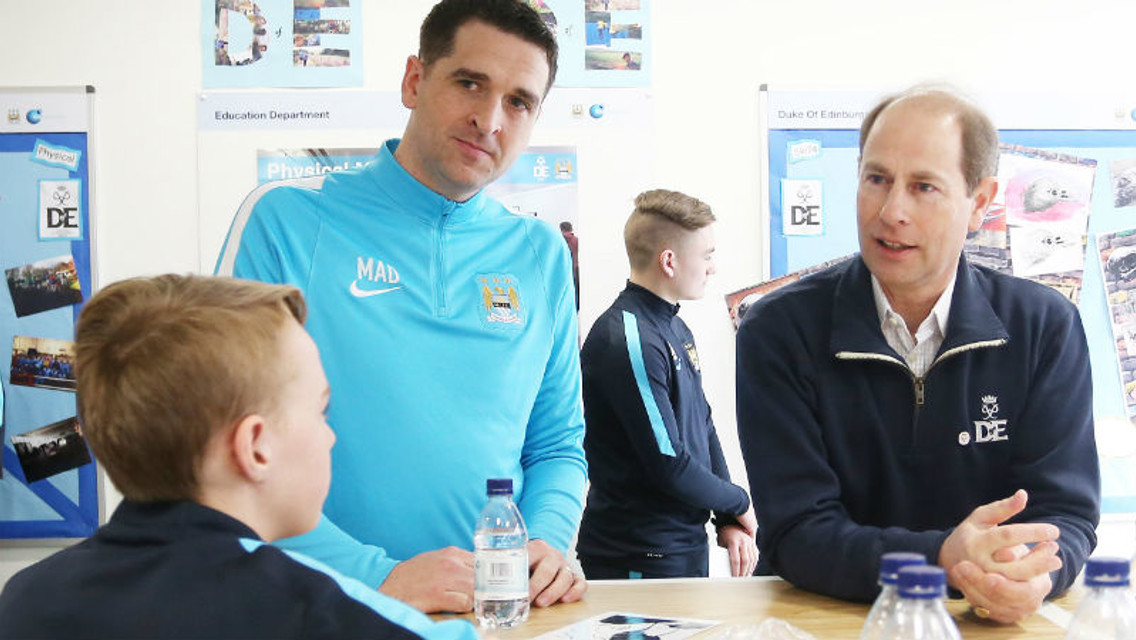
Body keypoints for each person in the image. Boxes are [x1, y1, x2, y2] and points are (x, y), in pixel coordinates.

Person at [215, 0, 587, 614]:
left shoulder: (540, 252)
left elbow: (557, 445)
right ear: (414, 80)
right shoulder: (286, 219)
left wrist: (546, 541)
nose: (490, 120)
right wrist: (376, 576)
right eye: (469, 83)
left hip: (493, 614)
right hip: (322, 607)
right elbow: (226, 443)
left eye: (519, 101)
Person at [736, 86, 1100, 624]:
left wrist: (1030, 571)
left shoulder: (1044, 327)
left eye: (923, 187)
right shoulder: (779, 329)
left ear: (980, 202)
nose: (891, 212)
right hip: (825, 621)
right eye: (876, 179)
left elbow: (1065, 513)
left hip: (983, 621)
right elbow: (797, 530)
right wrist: (942, 558)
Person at [0, 275, 479, 640]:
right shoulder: (327, 613)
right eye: (321, 411)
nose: (330, 437)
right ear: (255, 447)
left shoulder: (25, 600)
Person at [577, 189, 757, 579]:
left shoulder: (675, 327)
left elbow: (703, 426)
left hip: (681, 548)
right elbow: (668, 463)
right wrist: (740, 501)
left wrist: (727, 517)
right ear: (669, 261)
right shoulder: (628, 339)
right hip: (638, 557)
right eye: (706, 255)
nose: (712, 268)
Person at [559, 220, 580, 309]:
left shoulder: (561, 240)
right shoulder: (577, 240)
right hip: (577, 268)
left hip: (566, 269)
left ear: (562, 229)